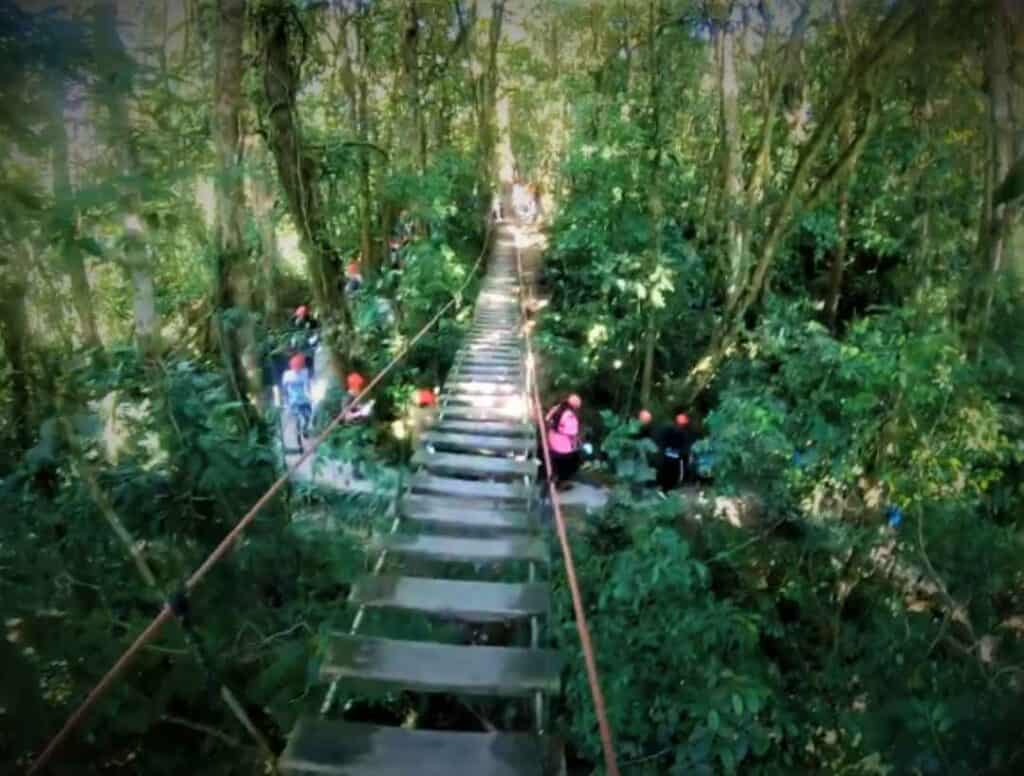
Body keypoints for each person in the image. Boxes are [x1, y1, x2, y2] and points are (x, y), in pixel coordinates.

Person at [543, 394, 583, 490]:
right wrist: (577, 442)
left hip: (551, 442)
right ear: (575, 406)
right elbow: (572, 433)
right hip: (562, 448)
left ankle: (554, 476)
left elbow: (547, 419)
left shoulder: (556, 408)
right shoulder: (570, 415)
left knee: (556, 462)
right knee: (574, 462)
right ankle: (561, 483)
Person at [654, 413, 698, 492]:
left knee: (676, 473)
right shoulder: (668, 430)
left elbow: (688, 446)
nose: (680, 426)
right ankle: (665, 487)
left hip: (678, 458)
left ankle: (673, 486)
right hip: (669, 457)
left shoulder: (688, 432)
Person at [281, 353, 313, 439]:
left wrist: (310, 397)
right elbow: (284, 390)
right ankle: (298, 434)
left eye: (299, 366)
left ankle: (304, 430)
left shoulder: (305, 373)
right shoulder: (287, 375)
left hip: (304, 400)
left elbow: (308, 386)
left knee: (307, 417)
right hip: (294, 401)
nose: (297, 369)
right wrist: (285, 401)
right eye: (295, 366)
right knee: (298, 418)